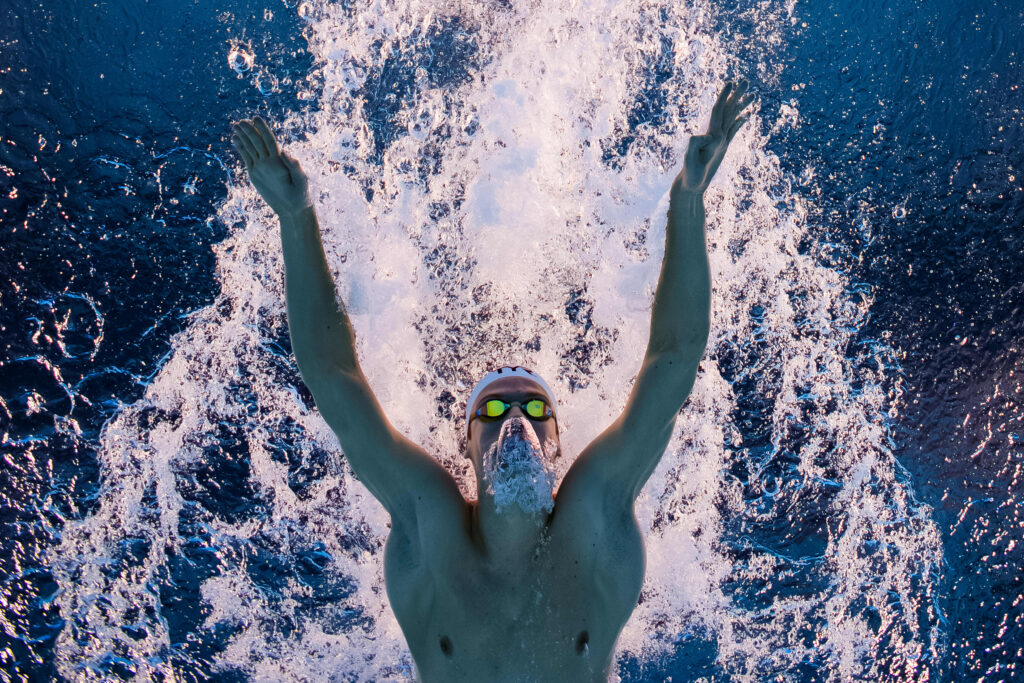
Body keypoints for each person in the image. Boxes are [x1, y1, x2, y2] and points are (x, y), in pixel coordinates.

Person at [230, 79, 754, 682]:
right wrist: (296, 218)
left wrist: (688, 200)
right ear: (466, 447)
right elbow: (333, 377)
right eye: (496, 412)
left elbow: (675, 356)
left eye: (533, 412)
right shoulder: (431, 527)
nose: (513, 421)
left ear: (557, 442)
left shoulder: (595, 516)